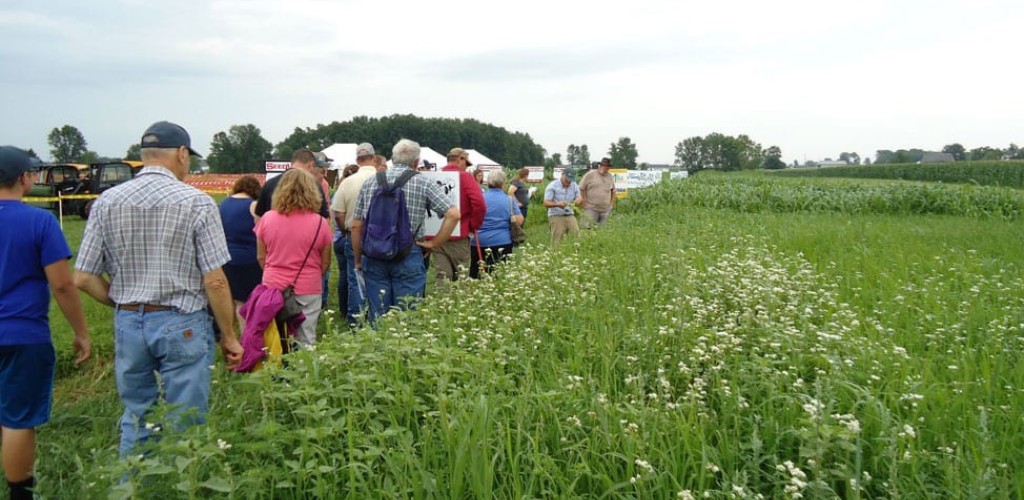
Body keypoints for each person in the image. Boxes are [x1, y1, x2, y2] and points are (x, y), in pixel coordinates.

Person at [74, 121, 243, 457]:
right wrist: (229, 334)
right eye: (189, 158)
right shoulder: (197, 202)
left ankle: (135, 485)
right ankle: (186, 483)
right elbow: (215, 279)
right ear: (181, 154)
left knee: (137, 414)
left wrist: (123, 302)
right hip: (183, 321)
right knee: (187, 418)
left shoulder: (107, 201)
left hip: (129, 322)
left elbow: (82, 278)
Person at [0, 146, 91, 499]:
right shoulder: (39, 222)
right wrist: (82, 333)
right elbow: (63, 284)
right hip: (23, 335)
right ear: (24, 178)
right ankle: (20, 493)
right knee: (18, 419)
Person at [351, 139, 460, 322]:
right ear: (416, 162)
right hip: (408, 252)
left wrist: (358, 260)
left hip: (374, 255)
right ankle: (403, 348)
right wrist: (434, 243)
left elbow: (356, 225)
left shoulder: (371, 182)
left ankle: (378, 347)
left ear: (392, 159)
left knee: (378, 315)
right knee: (406, 316)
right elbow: (454, 214)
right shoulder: (423, 182)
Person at [255, 169, 332, 348]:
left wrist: (272, 272)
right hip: (308, 285)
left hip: (273, 284)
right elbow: (326, 261)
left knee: (275, 335)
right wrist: (312, 275)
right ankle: (305, 372)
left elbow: (260, 256)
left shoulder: (267, 219)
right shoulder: (320, 222)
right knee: (306, 335)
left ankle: (278, 370)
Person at [330, 144, 378, 325]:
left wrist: (345, 230)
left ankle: (355, 320)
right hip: (379, 237)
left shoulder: (347, 182)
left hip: (354, 234)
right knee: (378, 277)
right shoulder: (382, 179)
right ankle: (376, 316)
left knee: (354, 278)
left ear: (358, 161)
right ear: (373, 159)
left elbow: (338, 213)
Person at [430, 147, 484, 290]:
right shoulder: (465, 177)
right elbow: (479, 204)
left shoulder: (435, 176)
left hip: (437, 234)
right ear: (460, 159)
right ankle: (460, 309)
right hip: (458, 234)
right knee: (462, 277)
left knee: (443, 276)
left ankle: (443, 309)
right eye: (466, 164)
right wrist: (473, 225)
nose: (466, 168)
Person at [218, 175, 263, 333]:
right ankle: (251, 338)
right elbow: (262, 233)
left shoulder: (223, 204)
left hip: (227, 258)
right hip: (250, 259)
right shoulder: (253, 205)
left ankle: (240, 335)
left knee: (238, 302)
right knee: (252, 303)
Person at [471, 170, 523, 278]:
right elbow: (519, 220)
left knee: (478, 275)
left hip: (479, 241)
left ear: (487, 182)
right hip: (502, 241)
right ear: (503, 183)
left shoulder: (479, 198)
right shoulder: (509, 200)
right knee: (500, 276)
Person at [254, 149, 330, 220]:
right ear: (310, 165)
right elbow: (323, 217)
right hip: (306, 232)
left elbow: (259, 215)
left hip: (275, 231)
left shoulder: (270, 184)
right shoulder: (314, 186)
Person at [544, 167, 581, 246]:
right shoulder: (552, 186)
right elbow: (546, 203)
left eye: (570, 180)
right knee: (557, 238)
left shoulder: (574, 185)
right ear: (562, 175)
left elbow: (579, 197)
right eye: (567, 179)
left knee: (576, 234)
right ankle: (555, 254)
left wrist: (578, 200)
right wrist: (557, 204)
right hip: (556, 214)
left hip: (569, 214)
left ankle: (574, 253)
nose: (568, 181)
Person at [579, 157, 616, 228]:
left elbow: (613, 192)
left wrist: (611, 205)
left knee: (601, 232)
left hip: (605, 210)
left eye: (607, 167)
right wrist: (584, 203)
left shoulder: (610, 176)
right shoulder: (590, 175)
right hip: (591, 208)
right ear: (600, 166)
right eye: (604, 166)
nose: (606, 168)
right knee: (587, 229)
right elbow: (581, 188)